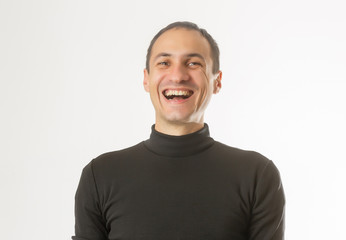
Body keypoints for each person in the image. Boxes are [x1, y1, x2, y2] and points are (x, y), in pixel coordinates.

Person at [72, 21, 285, 240]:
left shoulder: (257, 176)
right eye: (164, 62)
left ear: (217, 81)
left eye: (193, 63)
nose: (177, 75)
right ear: (146, 79)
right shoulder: (100, 176)